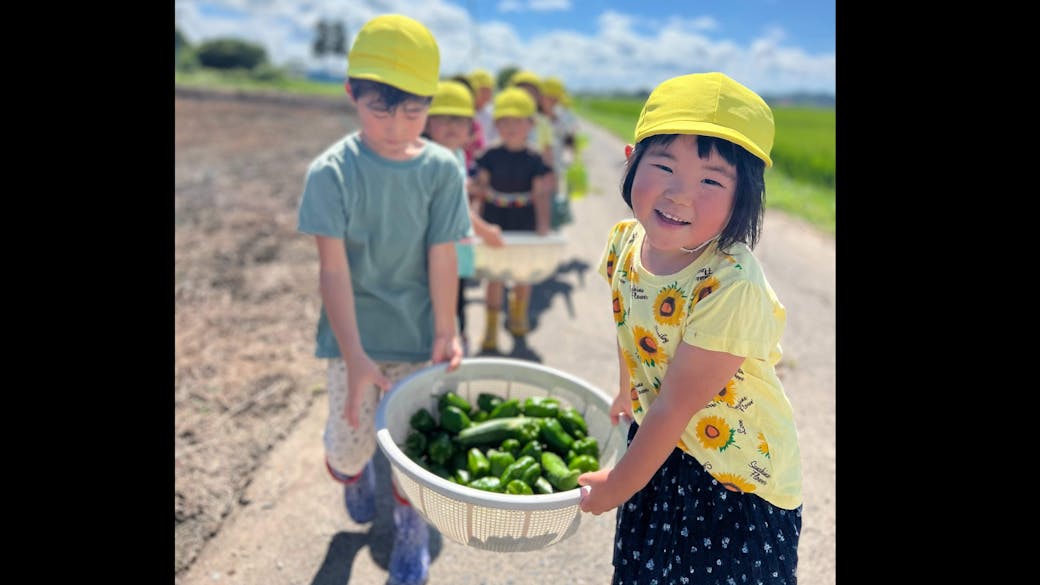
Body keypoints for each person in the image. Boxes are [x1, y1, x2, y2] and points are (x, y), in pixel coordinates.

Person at [577, 72, 803, 584]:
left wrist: (616, 486)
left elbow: (678, 404)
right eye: (664, 166)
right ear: (632, 159)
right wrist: (624, 390)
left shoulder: (730, 284)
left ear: (744, 195)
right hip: (661, 447)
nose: (680, 194)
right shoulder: (621, 243)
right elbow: (627, 322)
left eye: (711, 181)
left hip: (735, 479)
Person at [295, 14, 470, 585]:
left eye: (413, 111)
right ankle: (352, 474)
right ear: (351, 93)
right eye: (379, 108)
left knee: (413, 450)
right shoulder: (332, 173)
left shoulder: (443, 170)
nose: (396, 126)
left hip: (418, 332)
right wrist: (354, 356)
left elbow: (445, 252)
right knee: (351, 448)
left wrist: (447, 327)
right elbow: (333, 270)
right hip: (355, 335)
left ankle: (410, 530)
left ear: (430, 103)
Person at [422, 79, 505, 356]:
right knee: (442, 303)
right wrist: (487, 231)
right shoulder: (430, 159)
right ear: (427, 124)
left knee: (455, 300)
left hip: (455, 247)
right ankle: (450, 347)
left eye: (459, 119)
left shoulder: (456, 155)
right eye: (442, 118)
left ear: (471, 127)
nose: (451, 126)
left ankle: (457, 344)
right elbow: (455, 208)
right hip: (437, 248)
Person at [472, 87, 553, 353]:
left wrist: (543, 224)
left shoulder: (535, 159)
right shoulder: (489, 156)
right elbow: (481, 191)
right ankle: (491, 327)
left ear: (530, 124)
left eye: (518, 122)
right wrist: (474, 220)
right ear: (496, 125)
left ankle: (518, 316)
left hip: (524, 219)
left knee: (523, 275)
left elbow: (540, 194)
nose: (511, 128)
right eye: (504, 122)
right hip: (495, 218)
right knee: (494, 276)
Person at [469, 68, 497, 149]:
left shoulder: (493, 114)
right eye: (483, 90)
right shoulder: (462, 113)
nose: (487, 94)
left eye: (489, 90)